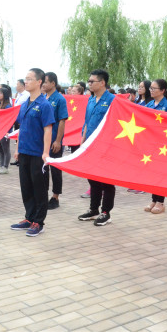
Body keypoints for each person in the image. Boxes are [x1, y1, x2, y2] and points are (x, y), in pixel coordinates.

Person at [10, 68, 55, 237]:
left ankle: (39, 222)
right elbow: (21, 128)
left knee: (39, 188)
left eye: (29, 79)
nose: (26, 81)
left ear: (39, 82)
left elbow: (48, 129)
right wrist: (17, 148)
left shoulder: (44, 105)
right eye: (25, 79)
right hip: (24, 151)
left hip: (37, 153)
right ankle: (29, 218)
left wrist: (45, 152)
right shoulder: (24, 104)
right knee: (26, 186)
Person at [77, 69, 116, 226]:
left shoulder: (113, 100)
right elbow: (87, 123)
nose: (89, 84)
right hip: (90, 145)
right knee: (93, 179)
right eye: (89, 81)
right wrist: (82, 142)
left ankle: (106, 212)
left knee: (106, 181)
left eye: (92, 81)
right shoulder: (91, 100)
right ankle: (94, 209)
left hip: (106, 147)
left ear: (102, 83)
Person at [143, 79, 167, 214]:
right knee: (153, 173)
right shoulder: (150, 104)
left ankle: (160, 202)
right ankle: (153, 199)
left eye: (154, 88)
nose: (151, 90)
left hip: (163, 146)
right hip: (151, 144)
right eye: (150, 88)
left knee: (161, 173)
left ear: (162, 90)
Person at [42, 72, 68, 210]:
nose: (43, 84)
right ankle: (43, 194)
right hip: (43, 140)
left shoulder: (59, 99)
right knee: (43, 168)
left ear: (53, 83)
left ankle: (55, 197)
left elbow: (62, 121)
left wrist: (58, 140)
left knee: (55, 170)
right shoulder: (43, 97)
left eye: (45, 82)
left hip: (54, 141)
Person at [0, 87, 12, 174]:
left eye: (0, 93)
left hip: (5, 130)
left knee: (6, 149)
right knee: (0, 149)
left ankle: (5, 167)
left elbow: (10, 119)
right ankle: (1, 165)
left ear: (5, 95)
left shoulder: (8, 106)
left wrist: (8, 131)